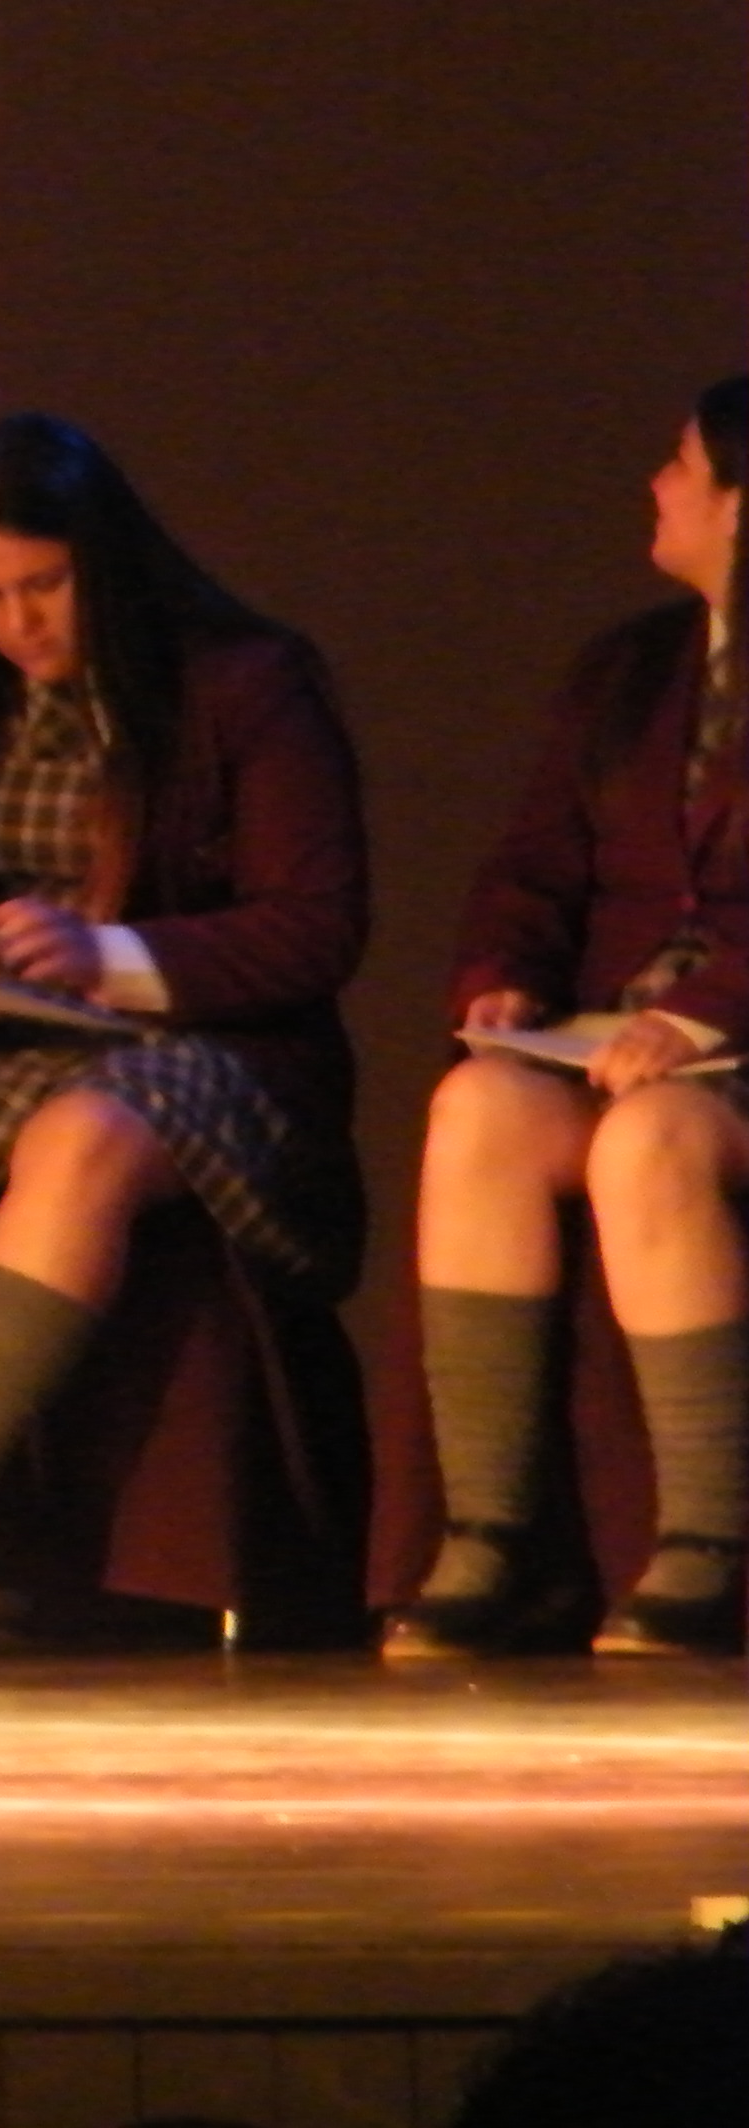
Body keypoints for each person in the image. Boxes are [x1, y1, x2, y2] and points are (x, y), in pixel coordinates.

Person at [0, 412, 368, 1656]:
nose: (19, 623)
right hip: (4, 1042)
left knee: (83, 1133)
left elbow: (315, 930)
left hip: (209, 1047)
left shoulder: (243, 679)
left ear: (102, 562)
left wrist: (110, 957)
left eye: (45, 587)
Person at [386, 377, 749, 1661]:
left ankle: (708, 1543)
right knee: (478, 1109)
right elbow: (535, 864)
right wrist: (505, 976)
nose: (658, 484)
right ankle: (494, 1534)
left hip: (723, 1049)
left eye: (682, 464)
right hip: (624, 1033)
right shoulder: (628, 669)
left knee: (651, 1142)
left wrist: (703, 1020)